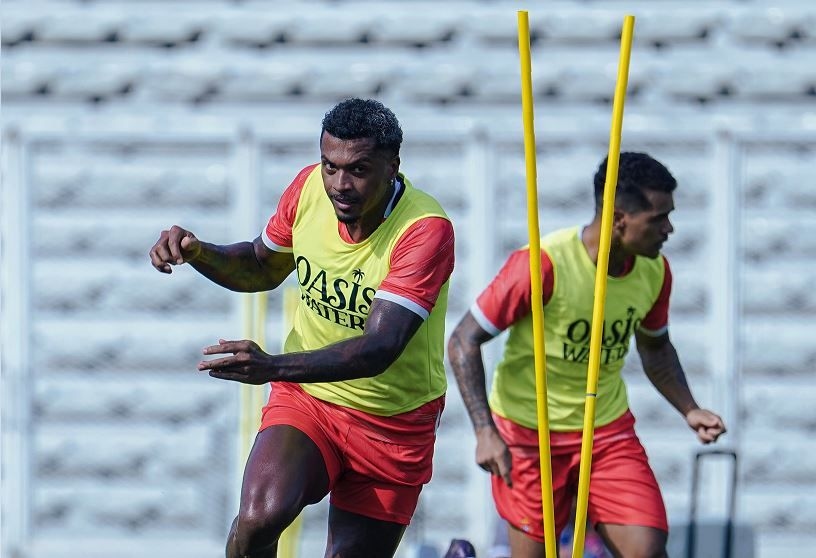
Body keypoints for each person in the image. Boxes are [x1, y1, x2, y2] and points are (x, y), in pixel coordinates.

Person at [149, 98, 455, 558]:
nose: (340, 184)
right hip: (310, 401)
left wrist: (272, 365)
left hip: (393, 422)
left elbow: (379, 348)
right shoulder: (308, 189)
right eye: (330, 166)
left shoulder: (425, 230)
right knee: (258, 519)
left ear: (393, 165)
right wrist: (199, 253)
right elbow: (260, 266)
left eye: (358, 169)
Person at [447, 152, 726, 558]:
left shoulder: (655, 271)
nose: (669, 229)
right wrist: (485, 433)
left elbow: (656, 347)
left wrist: (689, 408)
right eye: (658, 219)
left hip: (606, 433)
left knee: (647, 550)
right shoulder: (542, 264)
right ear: (618, 218)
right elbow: (462, 341)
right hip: (529, 436)